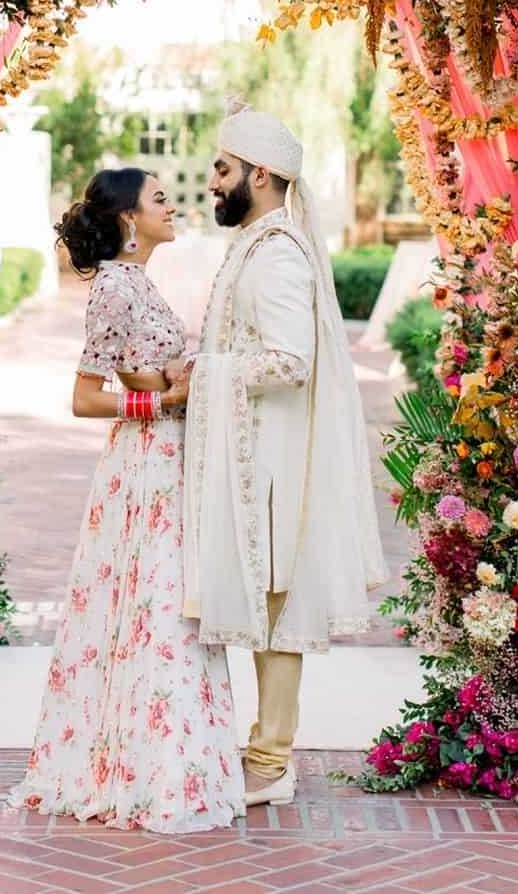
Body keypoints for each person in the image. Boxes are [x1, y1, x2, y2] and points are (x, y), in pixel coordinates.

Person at [9, 167, 244, 832]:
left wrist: (184, 375)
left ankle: (168, 760)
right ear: (127, 220)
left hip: (167, 459)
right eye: (160, 200)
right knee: (158, 606)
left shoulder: (140, 281)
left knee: (169, 609)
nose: (173, 208)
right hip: (144, 463)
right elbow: (85, 397)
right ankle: (144, 770)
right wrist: (161, 399)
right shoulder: (113, 285)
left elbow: (153, 362)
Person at [177, 101, 389, 808]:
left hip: (270, 462)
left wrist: (205, 370)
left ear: (260, 175)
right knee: (264, 606)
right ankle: (262, 750)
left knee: (275, 607)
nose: (211, 180)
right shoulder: (258, 243)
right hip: (255, 452)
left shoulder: (276, 256)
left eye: (222, 168)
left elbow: (290, 360)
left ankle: (270, 759)